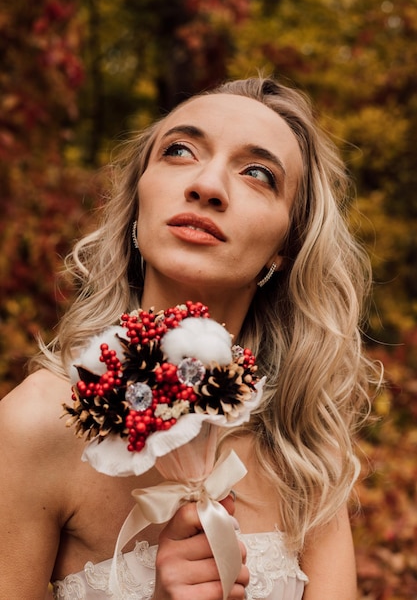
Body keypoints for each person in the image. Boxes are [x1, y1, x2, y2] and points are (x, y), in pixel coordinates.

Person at [0, 76, 378, 600]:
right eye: (180, 150)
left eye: (257, 173)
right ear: (136, 205)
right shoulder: (36, 423)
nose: (207, 185)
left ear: (284, 248)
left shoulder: (304, 444)